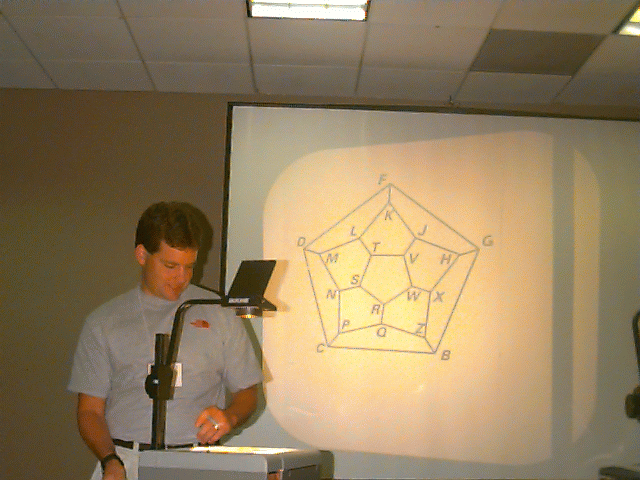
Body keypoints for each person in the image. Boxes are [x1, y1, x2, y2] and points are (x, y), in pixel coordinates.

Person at [68, 202, 263, 480]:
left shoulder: (218, 313)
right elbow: (89, 411)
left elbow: (247, 393)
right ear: (142, 255)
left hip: (199, 461)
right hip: (126, 462)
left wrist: (229, 417)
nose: (181, 277)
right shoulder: (104, 322)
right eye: (170, 266)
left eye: (189, 266)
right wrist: (109, 460)